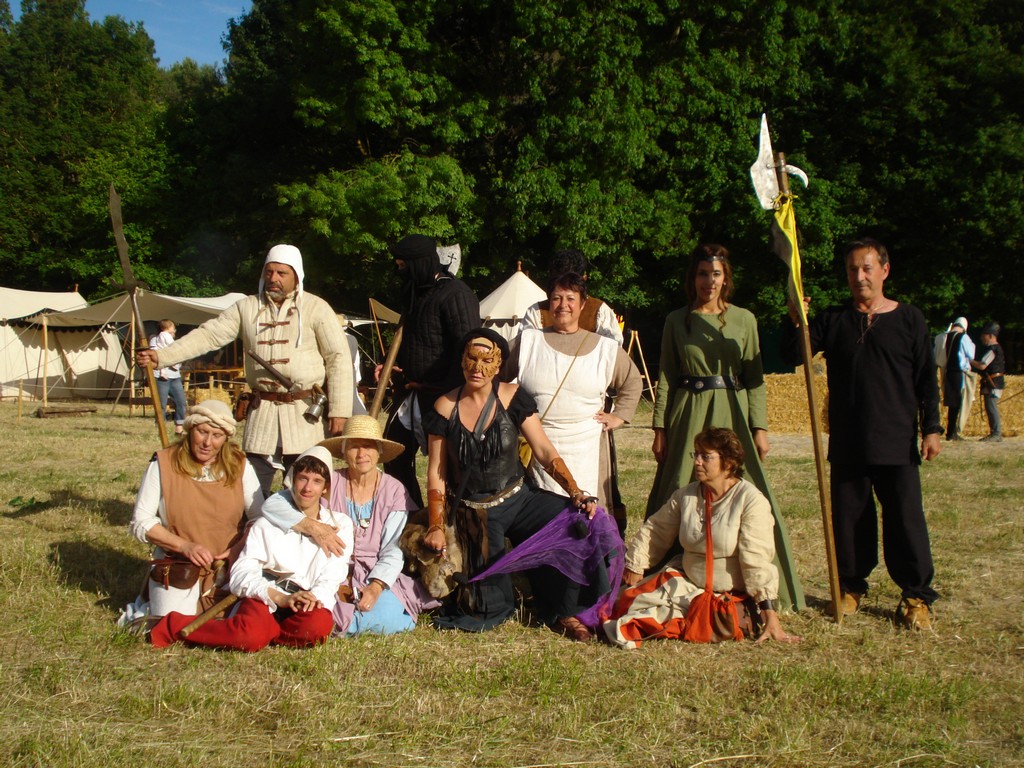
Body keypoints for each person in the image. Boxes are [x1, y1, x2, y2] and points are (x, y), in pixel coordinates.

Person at [782, 236, 942, 630]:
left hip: (896, 440)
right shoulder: (834, 320)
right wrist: (797, 320)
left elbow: (926, 379)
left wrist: (932, 429)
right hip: (849, 440)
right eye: (852, 269)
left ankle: (915, 595)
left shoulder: (909, 319)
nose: (859, 276)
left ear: (884, 270)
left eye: (867, 268)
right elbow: (795, 355)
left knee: (905, 519)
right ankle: (850, 586)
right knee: (850, 519)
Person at [422, 328, 615, 640]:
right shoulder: (444, 407)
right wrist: (435, 525)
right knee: (489, 606)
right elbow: (437, 472)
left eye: (487, 361)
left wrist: (575, 491)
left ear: (499, 365)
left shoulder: (513, 396)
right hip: (476, 511)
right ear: (462, 360)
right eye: (471, 358)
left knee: (575, 523)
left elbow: (544, 451)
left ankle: (566, 611)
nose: (477, 367)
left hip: (520, 498)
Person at [646, 243, 803, 611]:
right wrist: (660, 428)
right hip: (688, 412)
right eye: (703, 274)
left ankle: (758, 585)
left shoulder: (744, 320)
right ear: (693, 278)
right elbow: (666, 375)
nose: (709, 281)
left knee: (742, 486)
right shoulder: (676, 320)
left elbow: (755, 378)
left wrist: (759, 427)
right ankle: (664, 574)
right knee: (679, 484)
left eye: (715, 274)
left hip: (732, 410)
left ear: (725, 278)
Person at [136, 244, 354, 494]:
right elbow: (209, 335)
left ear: (296, 276)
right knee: (251, 490)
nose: (273, 278)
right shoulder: (247, 307)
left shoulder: (316, 308)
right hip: (263, 413)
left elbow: (338, 358)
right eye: (269, 272)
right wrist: (162, 356)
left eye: (281, 273)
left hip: (304, 414)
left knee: (305, 487)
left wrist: (339, 411)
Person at [604, 428, 802, 648]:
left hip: (724, 595)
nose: (697, 462)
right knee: (622, 604)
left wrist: (769, 614)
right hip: (685, 581)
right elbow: (656, 530)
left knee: (639, 620)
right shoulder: (686, 496)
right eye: (696, 454)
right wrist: (635, 564)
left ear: (728, 463)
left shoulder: (750, 501)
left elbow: (757, 558)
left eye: (706, 457)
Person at [150, 446, 353, 650]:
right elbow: (242, 572)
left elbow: (333, 575)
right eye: (302, 478)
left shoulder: (341, 525)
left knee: (317, 629)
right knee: (249, 636)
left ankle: (264, 632)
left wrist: (312, 599)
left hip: (305, 599)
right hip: (265, 595)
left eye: (317, 481)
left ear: (325, 488)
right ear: (293, 480)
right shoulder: (268, 522)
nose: (308, 488)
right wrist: (279, 597)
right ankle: (171, 625)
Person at [262, 416, 440, 634]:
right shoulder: (329, 481)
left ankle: (331, 623)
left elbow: (393, 549)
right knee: (316, 601)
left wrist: (375, 587)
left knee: (390, 617)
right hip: (326, 570)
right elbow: (273, 504)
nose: (361, 454)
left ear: (379, 452)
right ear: (344, 451)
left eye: (368, 446)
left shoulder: (394, 490)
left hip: (375, 572)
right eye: (354, 447)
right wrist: (313, 527)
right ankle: (325, 621)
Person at [507, 272, 642, 524]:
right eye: (556, 298)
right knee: (540, 521)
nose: (563, 305)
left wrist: (620, 416)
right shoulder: (527, 342)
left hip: (586, 445)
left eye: (570, 298)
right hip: (537, 443)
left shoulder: (605, 348)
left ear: (582, 304)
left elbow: (632, 382)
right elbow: (496, 376)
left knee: (587, 519)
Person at [127, 400, 264, 620]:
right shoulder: (163, 463)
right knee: (173, 623)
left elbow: (260, 518)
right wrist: (185, 546)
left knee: (244, 621)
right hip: (179, 565)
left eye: (216, 435)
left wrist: (237, 548)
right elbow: (141, 522)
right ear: (190, 429)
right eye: (202, 432)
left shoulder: (240, 465)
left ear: (226, 438)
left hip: (227, 565)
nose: (208, 442)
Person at [382, 234, 480, 507]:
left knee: (447, 468)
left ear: (420, 263)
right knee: (392, 456)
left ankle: (449, 522)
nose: (400, 272)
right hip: (410, 395)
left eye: (403, 266)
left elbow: (468, 349)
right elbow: (414, 339)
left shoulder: (456, 294)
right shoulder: (415, 293)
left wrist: (451, 394)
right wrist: (390, 363)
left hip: (444, 399)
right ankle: (411, 515)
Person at [519, 249, 623, 344]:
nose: (563, 305)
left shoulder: (599, 311)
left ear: (583, 280)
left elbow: (613, 349)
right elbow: (524, 348)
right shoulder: (536, 312)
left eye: (570, 282)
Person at [149, 319, 188, 436]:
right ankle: (161, 429)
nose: (174, 330)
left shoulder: (172, 341)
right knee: (161, 404)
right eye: (172, 327)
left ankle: (179, 428)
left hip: (174, 376)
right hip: (161, 377)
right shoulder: (155, 340)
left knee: (181, 401)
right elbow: (156, 356)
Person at [942, 317, 976, 441]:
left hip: (948, 371)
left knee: (952, 403)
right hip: (959, 373)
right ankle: (952, 432)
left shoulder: (945, 337)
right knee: (959, 402)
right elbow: (971, 354)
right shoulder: (963, 337)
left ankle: (950, 431)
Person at [971, 322, 1006, 442]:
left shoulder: (993, 349)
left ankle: (996, 433)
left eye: (984, 335)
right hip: (994, 382)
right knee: (990, 406)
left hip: (993, 382)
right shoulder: (996, 348)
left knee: (991, 407)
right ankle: (994, 433)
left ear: (990, 336)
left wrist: (969, 360)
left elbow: (982, 365)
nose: (982, 338)